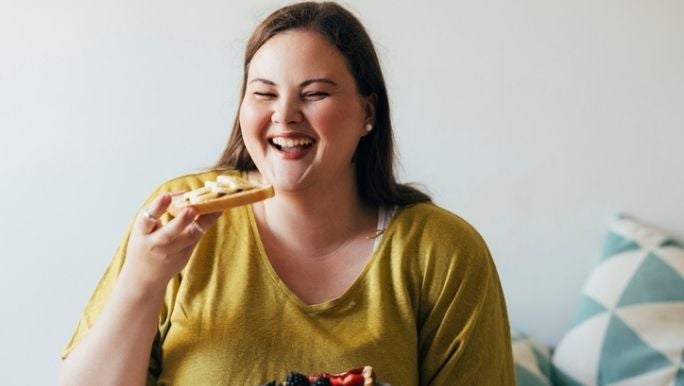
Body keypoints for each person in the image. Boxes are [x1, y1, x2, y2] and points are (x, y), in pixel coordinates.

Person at [58, 2, 514, 385]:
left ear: (367, 113)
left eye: (314, 94)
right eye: (264, 94)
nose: (285, 115)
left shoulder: (444, 252)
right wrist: (144, 278)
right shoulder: (179, 217)